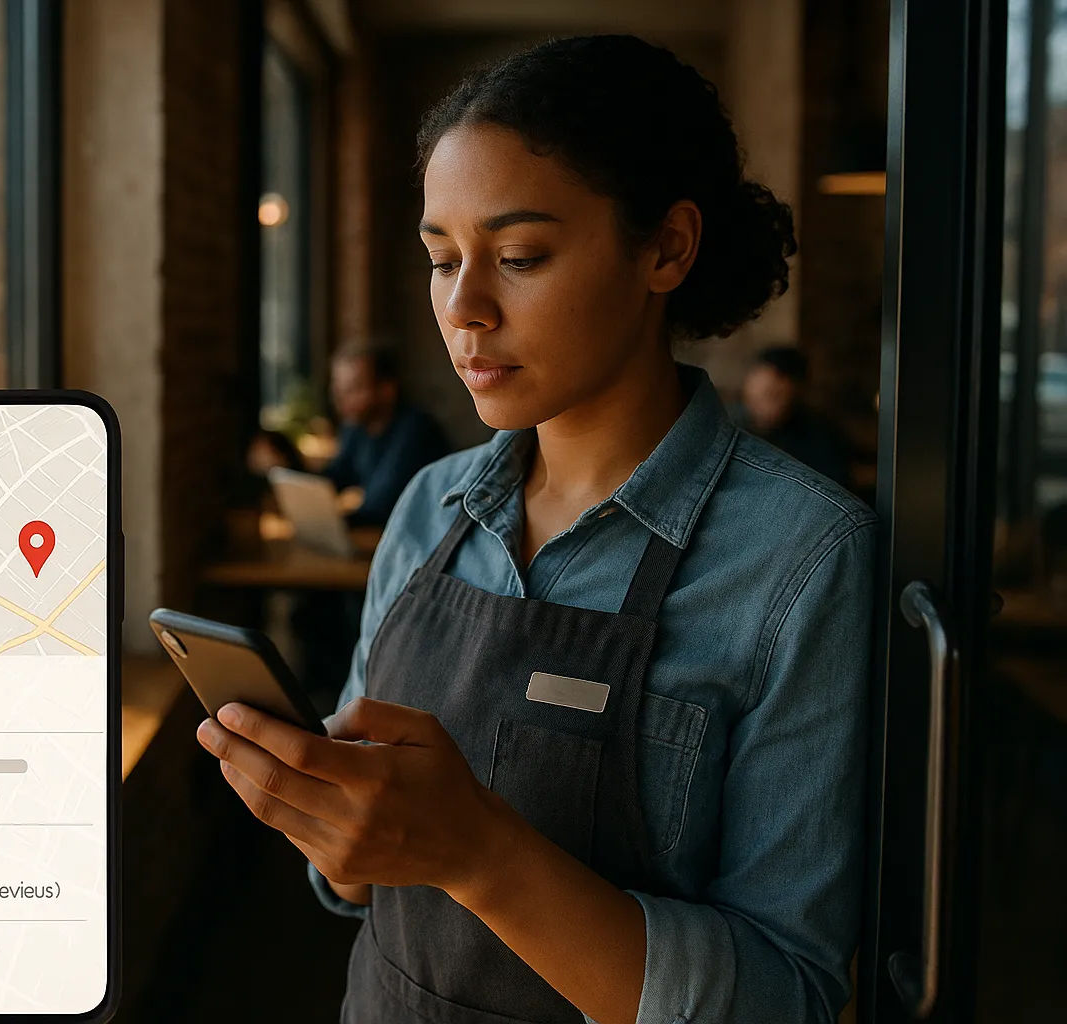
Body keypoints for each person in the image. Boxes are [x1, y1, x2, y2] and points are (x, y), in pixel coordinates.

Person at [194, 35, 872, 1024]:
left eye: (519, 257)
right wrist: (336, 833)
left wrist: (478, 852)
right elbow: (354, 886)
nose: (464, 307)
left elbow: (790, 996)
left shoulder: (804, 560)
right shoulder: (432, 507)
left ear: (666, 249)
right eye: (440, 259)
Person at [323, 341, 449, 527]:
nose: (341, 399)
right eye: (338, 389)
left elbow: (379, 509)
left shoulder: (415, 431)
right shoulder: (356, 426)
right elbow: (335, 477)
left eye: (353, 389)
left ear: (387, 390)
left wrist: (329, 523)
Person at [733, 345, 852, 488]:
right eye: (758, 396)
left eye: (775, 396)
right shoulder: (730, 427)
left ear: (796, 391)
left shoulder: (820, 437)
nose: (764, 406)